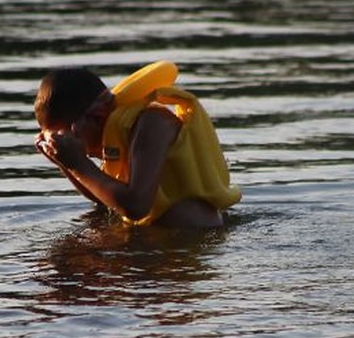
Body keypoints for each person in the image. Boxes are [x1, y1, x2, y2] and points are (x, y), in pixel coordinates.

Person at [34, 64, 241, 227]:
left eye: (68, 137)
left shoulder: (152, 123)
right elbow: (104, 199)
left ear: (96, 116)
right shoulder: (118, 133)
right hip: (156, 243)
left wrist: (78, 164)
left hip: (191, 242)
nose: (69, 146)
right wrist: (65, 163)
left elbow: (136, 205)